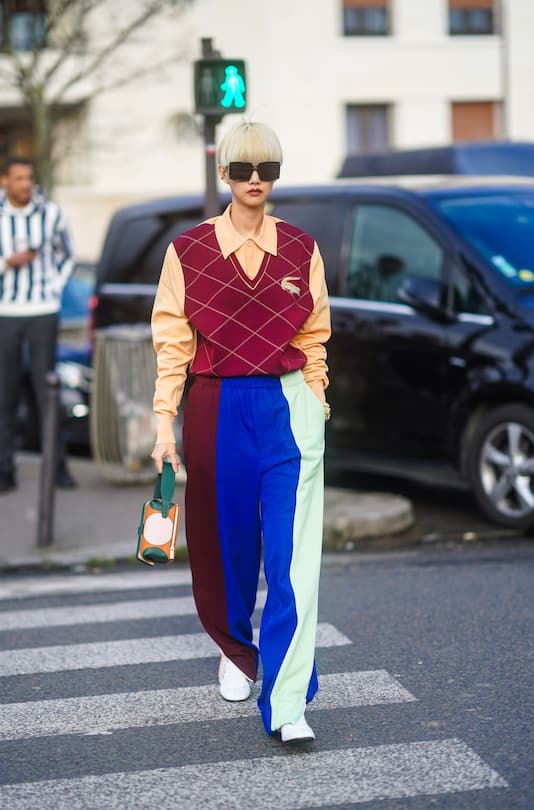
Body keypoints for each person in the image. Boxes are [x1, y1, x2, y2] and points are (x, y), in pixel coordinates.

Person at [151, 121, 331, 743]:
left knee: (292, 560)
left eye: (269, 170)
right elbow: (172, 342)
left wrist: (317, 401)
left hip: (288, 406)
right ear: (223, 174)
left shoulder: (302, 248)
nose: (257, 181)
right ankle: (234, 648)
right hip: (216, 407)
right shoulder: (189, 250)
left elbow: (314, 334)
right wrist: (163, 424)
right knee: (227, 549)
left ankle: (288, 704)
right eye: (245, 170)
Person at [0, 156, 77, 493]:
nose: (25, 184)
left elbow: (68, 254)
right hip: (6, 310)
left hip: (43, 308)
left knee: (47, 390)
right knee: (5, 393)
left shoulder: (51, 214)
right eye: (18, 178)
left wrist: (54, 289)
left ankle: (58, 467)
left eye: (28, 177)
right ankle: (5, 469)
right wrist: (7, 263)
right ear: (5, 181)